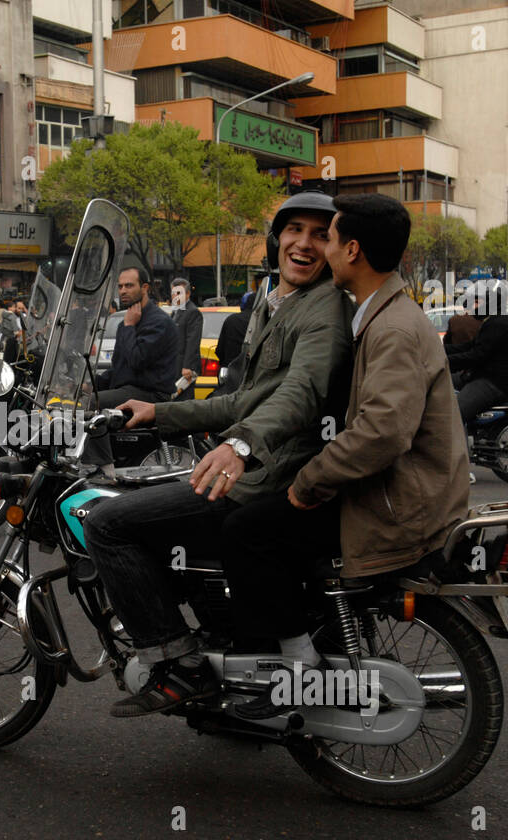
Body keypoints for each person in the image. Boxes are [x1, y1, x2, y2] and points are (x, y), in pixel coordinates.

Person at [82, 191, 353, 717]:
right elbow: (245, 399)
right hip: (260, 466)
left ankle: (177, 662)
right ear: (277, 238)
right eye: (294, 229)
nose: (304, 243)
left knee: (107, 524)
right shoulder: (282, 303)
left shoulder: (322, 313)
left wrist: (240, 446)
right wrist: (159, 412)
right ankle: (220, 636)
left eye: (321, 234)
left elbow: (303, 392)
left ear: (337, 246)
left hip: (268, 477)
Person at [280, 194, 469, 707]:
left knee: (248, 531)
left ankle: (295, 675)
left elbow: (382, 432)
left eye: (330, 237)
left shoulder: (392, 328)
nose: (322, 248)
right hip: (402, 492)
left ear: (353, 250)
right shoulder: (382, 315)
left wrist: (308, 482)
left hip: (398, 506)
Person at [95, 265, 180, 406]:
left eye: (129, 286)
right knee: (77, 399)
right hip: (127, 390)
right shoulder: (127, 322)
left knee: (88, 404)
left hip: (150, 395)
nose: (123, 291)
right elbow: (118, 369)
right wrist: (89, 384)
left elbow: (137, 360)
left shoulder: (159, 322)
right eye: (120, 287)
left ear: (145, 288)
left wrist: (129, 327)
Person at [446, 283, 508, 423]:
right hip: (486, 376)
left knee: (453, 415)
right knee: (443, 379)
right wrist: (440, 350)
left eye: (477, 302)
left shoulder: (499, 323)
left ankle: (460, 444)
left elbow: (477, 355)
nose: (473, 306)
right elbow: (470, 346)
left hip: (494, 382)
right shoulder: (495, 320)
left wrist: (445, 361)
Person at [169, 277, 204, 401]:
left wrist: (188, 366)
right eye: (173, 293)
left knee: (184, 400)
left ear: (188, 294)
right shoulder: (176, 311)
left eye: (179, 293)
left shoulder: (193, 312)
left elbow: (193, 340)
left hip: (185, 368)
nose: (175, 296)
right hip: (174, 365)